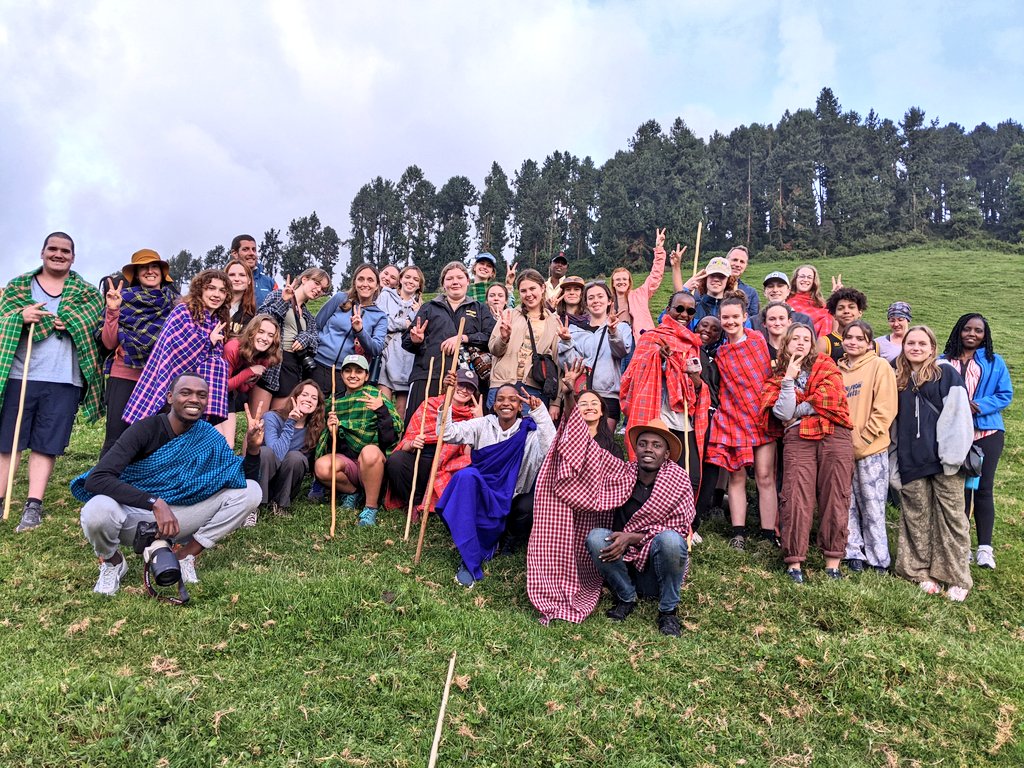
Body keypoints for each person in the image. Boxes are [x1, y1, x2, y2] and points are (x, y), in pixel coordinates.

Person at [74, 373, 263, 595]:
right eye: (186, 393)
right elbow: (98, 478)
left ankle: (185, 555)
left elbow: (239, 478)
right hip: (137, 517)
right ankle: (112, 562)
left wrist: (252, 449)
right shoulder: (145, 429)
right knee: (96, 510)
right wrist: (153, 502)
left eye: (201, 395)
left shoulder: (208, 436)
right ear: (170, 397)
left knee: (252, 491)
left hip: (182, 516)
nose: (194, 399)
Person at [527, 409, 694, 636]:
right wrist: (569, 400)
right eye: (643, 443)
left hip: (657, 570)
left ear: (666, 454)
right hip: (622, 563)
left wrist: (631, 538)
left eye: (656, 445)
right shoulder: (622, 472)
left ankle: (668, 611)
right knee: (596, 537)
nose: (648, 449)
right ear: (635, 449)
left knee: (671, 540)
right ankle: (626, 597)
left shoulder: (678, 479)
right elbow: (587, 451)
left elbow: (681, 527)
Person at [0, 232, 104, 532]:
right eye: (53, 249)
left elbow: (94, 327)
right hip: (22, 374)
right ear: (42, 252)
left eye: (65, 251)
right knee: (9, 441)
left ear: (73, 257)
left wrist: (71, 323)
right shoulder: (20, 287)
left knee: (46, 444)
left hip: (64, 379)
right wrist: (21, 316)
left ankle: (33, 505)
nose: (58, 254)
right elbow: (3, 319)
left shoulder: (85, 293)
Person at [437, 382, 556, 587]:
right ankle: (470, 558)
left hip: (510, 496)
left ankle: (497, 540)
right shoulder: (482, 424)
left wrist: (540, 412)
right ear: (494, 405)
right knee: (466, 476)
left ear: (520, 406)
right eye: (500, 399)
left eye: (513, 399)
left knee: (525, 505)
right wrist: (447, 399)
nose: (506, 403)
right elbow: (447, 433)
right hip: (481, 492)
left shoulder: (529, 431)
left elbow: (550, 450)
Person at [761, 324, 854, 582]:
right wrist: (789, 380)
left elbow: (832, 399)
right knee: (795, 494)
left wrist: (798, 410)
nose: (801, 343)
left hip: (834, 433)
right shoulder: (777, 375)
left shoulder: (827, 365)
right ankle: (794, 561)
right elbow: (780, 413)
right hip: (798, 437)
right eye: (795, 339)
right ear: (786, 343)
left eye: (806, 339)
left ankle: (833, 560)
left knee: (836, 494)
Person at [891, 326, 974, 601]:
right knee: (917, 518)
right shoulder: (897, 377)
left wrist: (952, 458)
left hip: (944, 461)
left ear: (932, 347)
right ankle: (918, 571)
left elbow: (958, 417)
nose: (915, 347)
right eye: (910, 342)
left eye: (921, 343)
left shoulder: (945, 374)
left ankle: (956, 576)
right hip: (911, 460)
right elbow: (892, 423)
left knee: (952, 519)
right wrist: (894, 462)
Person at [706, 294, 779, 550]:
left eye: (735, 317)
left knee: (764, 476)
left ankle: (769, 534)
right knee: (736, 478)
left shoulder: (759, 340)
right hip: (734, 418)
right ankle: (738, 532)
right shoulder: (721, 353)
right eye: (725, 317)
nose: (730, 321)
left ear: (745, 317)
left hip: (761, 416)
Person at [620, 290, 710, 496]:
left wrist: (693, 375)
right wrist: (658, 360)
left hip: (682, 418)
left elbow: (696, 386)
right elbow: (631, 376)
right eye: (679, 308)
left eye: (690, 311)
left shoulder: (692, 345)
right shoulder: (651, 338)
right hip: (656, 417)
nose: (684, 314)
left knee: (691, 476)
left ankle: (682, 524)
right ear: (668, 309)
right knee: (653, 476)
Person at [941, 313, 1013, 569]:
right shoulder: (943, 361)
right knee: (958, 489)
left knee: (983, 488)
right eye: (967, 329)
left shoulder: (995, 362)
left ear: (985, 335)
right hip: (952, 435)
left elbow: (1005, 394)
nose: (972, 334)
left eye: (978, 330)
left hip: (986, 433)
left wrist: (978, 406)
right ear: (958, 331)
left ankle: (985, 548)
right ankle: (962, 545)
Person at [123, 270, 231, 427]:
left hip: (197, 394)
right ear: (200, 289)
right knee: (156, 432)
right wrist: (208, 341)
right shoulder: (183, 312)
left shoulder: (217, 321)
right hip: (169, 382)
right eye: (211, 288)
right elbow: (178, 350)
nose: (217, 294)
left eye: (222, 290)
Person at [98, 249, 179, 457]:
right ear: (136, 273)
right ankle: (103, 483)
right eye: (143, 267)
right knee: (116, 437)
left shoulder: (176, 304)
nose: (149, 271)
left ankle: (142, 485)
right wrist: (113, 310)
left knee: (154, 440)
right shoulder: (120, 299)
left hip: (159, 379)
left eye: (154, 267)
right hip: (124, 374)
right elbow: (108, 343)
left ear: (162, 273)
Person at [401, 261, 496, 429]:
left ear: (468, 281)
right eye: (449, 278)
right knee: (418, 427)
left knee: (461, 431)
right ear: (443, 284)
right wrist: (416, 339)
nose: (455, 282)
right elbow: (407, 341)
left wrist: (463, 338)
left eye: (460, 277)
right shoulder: (429, 307)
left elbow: (491, 338)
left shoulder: (479, 308)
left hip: (466, 381)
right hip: (429, 376)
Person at [837, 320, 898, 573]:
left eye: (859, 338)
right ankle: (853, 551)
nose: (853, 342)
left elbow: (885, 409)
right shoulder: (836, 371)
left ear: (869, 343)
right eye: (849, 337)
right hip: (841, 449)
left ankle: (878, 557)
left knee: (873, 504)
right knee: (847, 502)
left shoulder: (879, 366)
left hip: (871, 449)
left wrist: (864, 439)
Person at [314, 354, 402, 526]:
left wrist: (381, 411)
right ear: (341, 375)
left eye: (358, 371)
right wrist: (334, 432)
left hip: (374, 463)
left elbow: (390, 438)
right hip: (350, 463)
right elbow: (337, 446)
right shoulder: (335, 402)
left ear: (366, 376)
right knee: (322, 467)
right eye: (348, 371)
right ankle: (352, 492)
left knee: (369, 452)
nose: (353, 375)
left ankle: (370, 507)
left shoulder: (377, 397)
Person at [384, 368, 480, 512]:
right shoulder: (431, 404)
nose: (465, 390)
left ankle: (435, 502)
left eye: (470, 388)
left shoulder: (473, 416)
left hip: (447, 465)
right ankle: (414, 502)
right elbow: (406, 441)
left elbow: (468, 454)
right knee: (396, 460)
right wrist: (412, 443)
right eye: (461, 384)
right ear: (453, 384)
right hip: (421, 460)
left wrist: (478, 422)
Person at [252, 268, 331, 413]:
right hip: (271, 364)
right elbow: (260, 321)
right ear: (305, 279)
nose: (319, 290)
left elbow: (315, 342)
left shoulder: (308, 315)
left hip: (292, 369)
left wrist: (305, 338)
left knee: (276, 425)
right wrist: (284, 301)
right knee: (257, 423)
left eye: (323, 289)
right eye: (317, 283)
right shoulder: (277, 295)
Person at [559, 281, 633, 433]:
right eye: (591, 298)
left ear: (609, 301)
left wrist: (613, 332)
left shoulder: (622, 327)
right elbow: (568, 365)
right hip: (581, 394)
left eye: (600, 296)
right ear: (585, 303)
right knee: (578, 443)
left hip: (608, 395)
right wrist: (566, 342)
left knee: (603, 442)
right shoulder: (574, 331)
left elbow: (621, 352)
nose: (596, 301)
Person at [488, 269, 562, 415]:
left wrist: (556, 402)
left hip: (534, 389)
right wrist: (503, 338)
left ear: (542, 288)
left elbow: (557, 363)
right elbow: (494, 349)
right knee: (496, 435)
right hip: (502, 385)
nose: (528, 294)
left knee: (529, 435)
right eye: (523, 291)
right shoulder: (509, 314)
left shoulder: (554, 322)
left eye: (532, 288)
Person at [252, 379, 326, 525]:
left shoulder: (314, 429)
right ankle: (253, 507)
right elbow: (276, 454)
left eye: (314, 398)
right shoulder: (271, 417)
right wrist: (290, 422)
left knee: (296, 458)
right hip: (263, 478)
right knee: (266, 452)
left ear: (317, 405)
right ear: (295, 397)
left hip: (285, 484)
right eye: (305, 395)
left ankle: (280, 505)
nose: (309, 400)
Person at [313, 264, 387, 397]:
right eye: (361, 279)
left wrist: (360, 331)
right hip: (318, 364)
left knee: (336, 415)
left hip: (347, 373)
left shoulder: (380, 316)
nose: (365, 284)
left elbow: (376, 348)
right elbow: (316, 325)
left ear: (377, 286)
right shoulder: (340, 298)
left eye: (370, 280)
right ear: (354, 282)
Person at [219, 315, 283, 444]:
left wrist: (248, 378)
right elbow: (222, 386)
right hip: (214, 393)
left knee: (228, 444)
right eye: (261, 332)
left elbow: (243, 388)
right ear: (251, 332)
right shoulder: (232, 348)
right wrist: (249, 372)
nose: (265, 338)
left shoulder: (265, 358)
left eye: (271, 335)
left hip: (229, 396)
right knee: (218, 441)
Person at [609, 228, 677, 336]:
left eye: (624, 279)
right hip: (616, 341)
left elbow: (655, 276)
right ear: (612, 283)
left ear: (629, 282)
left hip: (640, 340)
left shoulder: (640, 294)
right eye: (617, 279)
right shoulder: (608, 301)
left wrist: (659, 249)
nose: (621, 282)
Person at [377, 265, 424, 420]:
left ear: (419, 285)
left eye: (415, 279)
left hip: (407, 360)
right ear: (401, 279)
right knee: (383, 406)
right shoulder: (386, 296)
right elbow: (382, 322)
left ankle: (397, 443)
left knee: (401, 411)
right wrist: (405, 323)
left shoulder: (420, 307)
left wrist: (416, 313)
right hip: (387, 355)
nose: (411, 281)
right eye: (408, 277)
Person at [819, 287, 876, 361]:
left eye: (851, 307)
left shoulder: (874, 344)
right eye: (840, 308)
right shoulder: (825, 343)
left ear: (860, 312)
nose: (846, 311)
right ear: (834, 315)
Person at [749, 272, 813, 334]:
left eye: (780, 286)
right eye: (770, 286)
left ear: (788, 291)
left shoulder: (803, 320)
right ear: (765, 292)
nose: (775, 290)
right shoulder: (753, 322)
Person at [683, 257, 735, 328]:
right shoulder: (693, 308)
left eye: (721, 276)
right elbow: (666, 322)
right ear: (705, 278)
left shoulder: (734, 311)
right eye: (712, 275)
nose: (716, 279)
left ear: (728, 280)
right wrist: (684, 290)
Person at [787, 265, 834, 338]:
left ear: (813, 281)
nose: (805, 280)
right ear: (795, 280)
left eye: (809, 277)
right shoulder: (787, 302)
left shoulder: (820, 303)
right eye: (802, 276)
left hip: (823, 344)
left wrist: (836, 298)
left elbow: (834, 318)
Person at [231, 234, 276, 307]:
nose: (251, 253)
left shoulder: (269, 282)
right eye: (245, 249)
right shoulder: (224, 281)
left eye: (254, 250)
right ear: (235, 254)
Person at [223, 259, 257, 338]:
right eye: (232, 275)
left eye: (242, 275)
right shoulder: (214, 305)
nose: (237, 279)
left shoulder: (251, 313)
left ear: (249, 281)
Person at [724, 246, 760, 318]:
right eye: (734, 260)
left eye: (742, 262)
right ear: (726, 261)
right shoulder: (712, 286)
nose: (738, 265)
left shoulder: (751, 293)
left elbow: (754, 320)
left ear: (746, 266)